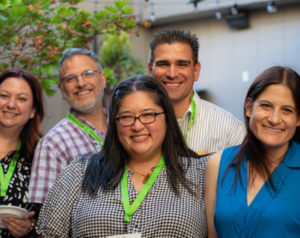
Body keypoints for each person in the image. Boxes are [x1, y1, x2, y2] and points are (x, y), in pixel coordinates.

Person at [36, 75, 209, 238]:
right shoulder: (79, 172)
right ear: (114, 124)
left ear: (167, 118)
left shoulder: (201, 173)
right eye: (126, 117)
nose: (137, 126)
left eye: (148, 115)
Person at [205, 66, 300, 238]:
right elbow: (213, 235)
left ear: (298, 118)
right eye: (266, 106)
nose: (274, 119)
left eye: (287, 110)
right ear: (249, 107)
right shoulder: (218, 164)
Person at [28, 48, 107, 207]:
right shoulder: (52, 144)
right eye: (71, 78)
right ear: (61, 89)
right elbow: (47, 219)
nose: (81, 83)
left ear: (103, 79)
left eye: (88, 73)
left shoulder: (127, 127)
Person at [148, 29, 246, 154]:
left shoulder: (231, 130)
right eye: (163, 64)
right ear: (150, 71)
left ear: (196, 71)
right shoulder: (134, 126)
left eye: (182, 64)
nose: (172, 74)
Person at [0, 69, 44, 238]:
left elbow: (52, 220)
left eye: (21, 99)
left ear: (33, 111)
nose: (11, 104)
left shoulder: (41, 158)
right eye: (4, 96)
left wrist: (31, 225)